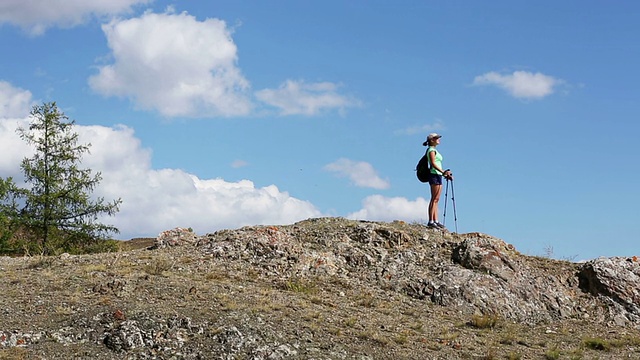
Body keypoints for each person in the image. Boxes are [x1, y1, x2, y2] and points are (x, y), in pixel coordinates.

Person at [423, 133, 453, 229]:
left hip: (438, 175)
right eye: (436, 138)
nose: (438, 140)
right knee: (434, 198)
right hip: (434, 174)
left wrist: (443, 173)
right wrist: (444, 172)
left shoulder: (434, 150)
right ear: (432, 140)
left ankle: (435, 220)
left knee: (437, 199)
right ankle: (431, 221)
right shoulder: (431, 150)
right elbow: (433, 163)